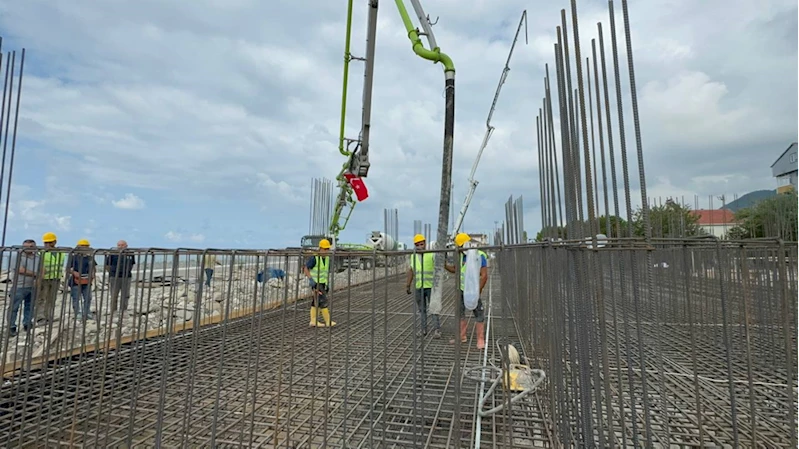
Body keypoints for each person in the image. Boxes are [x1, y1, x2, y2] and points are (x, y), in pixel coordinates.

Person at [444, 233, 488, 349]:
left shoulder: (479, 255)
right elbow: (455, 270)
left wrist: (478, 290)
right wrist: (444, 265)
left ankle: (480, 339)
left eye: (459, 246)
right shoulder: (460, 256)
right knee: (460, 313)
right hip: (461, 290)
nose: (458, 249)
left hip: (473, 291)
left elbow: (484, 276)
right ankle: (462, 337)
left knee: (478, 314)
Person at [405, 234, 441, 338]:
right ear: (415, 245)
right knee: (422, 310)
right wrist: (408, 285)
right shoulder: (413, 256)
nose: (420, 246)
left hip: (430, 287)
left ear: (425, 243)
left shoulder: (431, 254)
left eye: (422, 243)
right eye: (418, 244)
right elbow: (411, 270)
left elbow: (438, 268)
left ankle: (437, 329)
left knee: (433, 308)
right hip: (419, 287)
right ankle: (423, 329)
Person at [7, 239, 39, 337]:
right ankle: (11, 327)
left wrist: (38, 278)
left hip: (32, 286)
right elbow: (20, 270)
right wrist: (35, 274)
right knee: (14, 307)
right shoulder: (17, 256)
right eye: (27, 247)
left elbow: (41, 269)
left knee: (29, 306)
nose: (29, 249)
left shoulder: (37, 257)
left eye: (31, 246)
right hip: (19, 286)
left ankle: (27, 324)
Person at [302, 238, 336, 327]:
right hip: (316, 283)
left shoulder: (327, 258)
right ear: (320, 248)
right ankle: (328, 321)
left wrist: (327, 284)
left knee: (316, 302)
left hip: (322, 283)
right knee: (323, 301)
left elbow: (325, 272)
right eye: (325, 249)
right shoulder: (314, 258)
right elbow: (305, 268)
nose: (326, 251)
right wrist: (311, 280)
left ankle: (313, 321)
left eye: (327, 249)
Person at [38, 232, 64, 324]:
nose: (47, 245)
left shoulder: (61, 253)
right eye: (46, 243)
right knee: (41, 298)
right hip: (44, 279)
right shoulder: (41, 253)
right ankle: (40, 318)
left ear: (55, 242)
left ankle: (49, 316)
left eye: (50, 242)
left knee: (52, 299)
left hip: (55, 278)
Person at [105, 240, 136, 314]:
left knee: (125, 295)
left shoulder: (130, 253)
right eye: (119, 245)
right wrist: (112, 272)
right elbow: (107, 265)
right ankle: (113, 310)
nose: (120, 247)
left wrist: (127, 271)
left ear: (126, 245)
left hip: (126, 277)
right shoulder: (113, 253)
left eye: (122, 245)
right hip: (114, 276)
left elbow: (132, 264)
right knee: (114, 294)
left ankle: (123, 310)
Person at [68, 239, 96, 321]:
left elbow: (94, 267)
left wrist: (93, 273)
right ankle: (78, 313)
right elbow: (68, 268)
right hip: (75, 281)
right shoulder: (73, 257)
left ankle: (87, 312)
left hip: (87, 280)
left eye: (86, 247)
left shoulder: (90, 257)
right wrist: (74, 273)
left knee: (88, 297)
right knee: (76, 298)